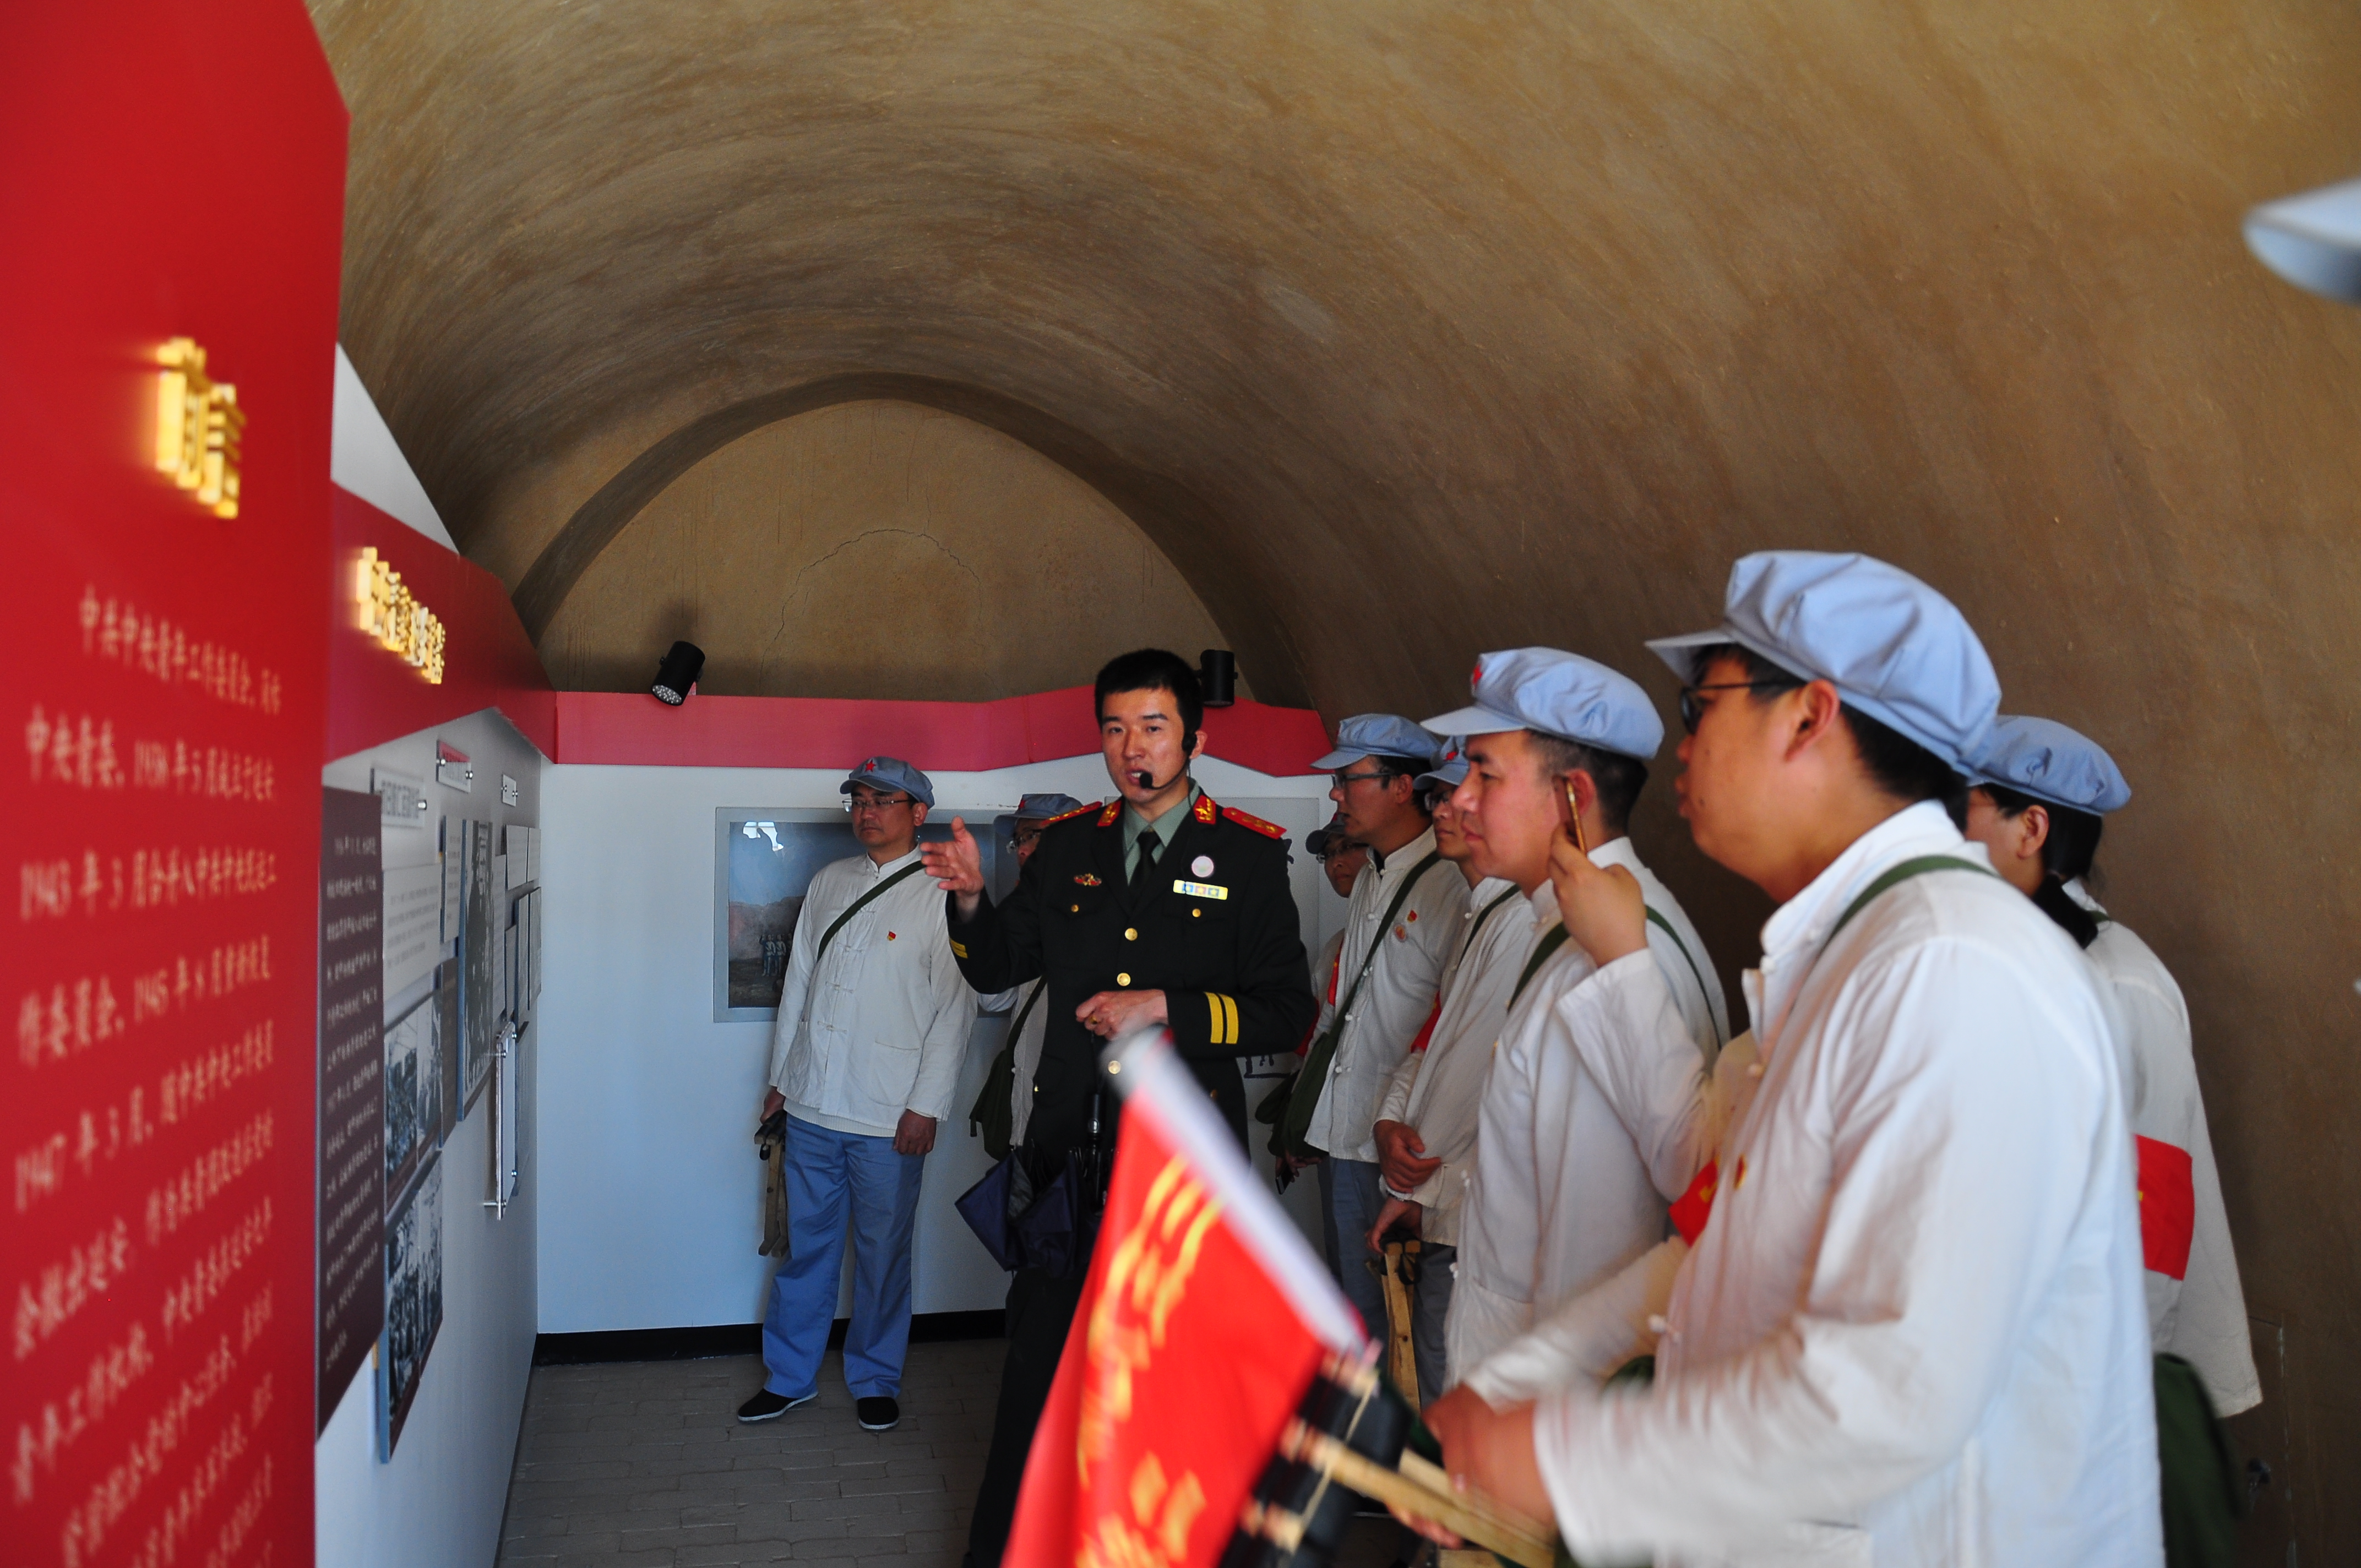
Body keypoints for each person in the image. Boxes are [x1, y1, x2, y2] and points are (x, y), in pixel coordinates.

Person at [1422, 552, 2158, 1567]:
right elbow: (1710, 1251)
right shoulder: (1860, 953)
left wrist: (1560, 1454)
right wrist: (1515, 1387)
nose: (1681, 744)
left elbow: (1893, 1383)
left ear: (1808, 717)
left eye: (1701, 703)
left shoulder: (1953, 966)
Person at [920, 647, 1316, 1568]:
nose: (1130, 748)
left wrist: (1167, 1009)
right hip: (1068, 1160)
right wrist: (973, 898)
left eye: (1152, 726)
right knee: (1037, 1379)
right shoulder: (1067, 847)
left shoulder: (1249, 857)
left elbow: (1285, 1010)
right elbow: (997, 964)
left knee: (1172, 1387)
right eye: (1113, 728)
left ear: (1194, 736)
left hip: (1181, 1170)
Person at [1420, 649, 1728, 1382]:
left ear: (1572, 795)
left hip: (1544, 1417)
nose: (1459, 799)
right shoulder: (1569, 930)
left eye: (1485, 775)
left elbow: (1593, 1257)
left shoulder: (1615, 956)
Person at [1963, 715, 2259, 1415]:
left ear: (2029, 830)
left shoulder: (2119, 987)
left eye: (1957, 811)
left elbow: (2145, 1240)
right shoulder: (2014, 960)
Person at [741, 756, 978, 1434]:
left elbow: (953, 1011)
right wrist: (782, 1080)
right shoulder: (829, 881)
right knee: (806, 1250)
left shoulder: (942, 892)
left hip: (889, 1113)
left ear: (919, 813)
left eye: (885, 800)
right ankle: (789, 1376)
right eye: (859, 799)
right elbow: (800, 988)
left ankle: (875, 1376)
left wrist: (926, 1105)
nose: (867, 811)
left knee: (882, 1255)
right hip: (813, 1102)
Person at [1286, 714, 1468, 1339]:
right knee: (1355, 1313)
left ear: (1401, 786)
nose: (1336, 795)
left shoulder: (1450, 882)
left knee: (1409, 1323)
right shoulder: (1370, 875)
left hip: (1401, 1151)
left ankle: (1396, 1436)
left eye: (1348, 779)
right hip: (1346, 1132)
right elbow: (1345, 1011)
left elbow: (1448, 1030)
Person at [1365, 736, 1529, 1403]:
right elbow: (1430, 1046)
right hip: (1446, 1196)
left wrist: (1411, 1180)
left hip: (1468, 1204)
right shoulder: (1476, 913)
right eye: (1436, 794)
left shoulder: (1517, 919)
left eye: (1468, 788)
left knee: (1452, 1394)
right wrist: (1386, 1121)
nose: (1446, 808)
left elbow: (1467, 1073)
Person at [971, 792, 1088, 1156]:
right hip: (1026, 1109)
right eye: (1019, 840)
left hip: (1084, 1123)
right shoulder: (1023, 913)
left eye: (1035, 835)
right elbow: (993, 997)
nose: (1023, 850)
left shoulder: (1106, 913)